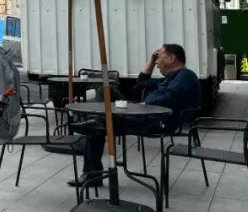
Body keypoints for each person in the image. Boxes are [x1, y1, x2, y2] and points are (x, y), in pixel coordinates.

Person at [71, 43, 201, 187]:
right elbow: (142, 81)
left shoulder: (186, 76)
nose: (157, 62)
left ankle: (92, 175)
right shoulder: (170, 78)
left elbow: (170, 97)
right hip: (145, 113)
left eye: (159, 57)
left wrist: (144, 104)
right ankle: (97, 121)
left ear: (171, 58)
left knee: (98, 127)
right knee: (105, 90)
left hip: (156, 121)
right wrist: (151, 61)